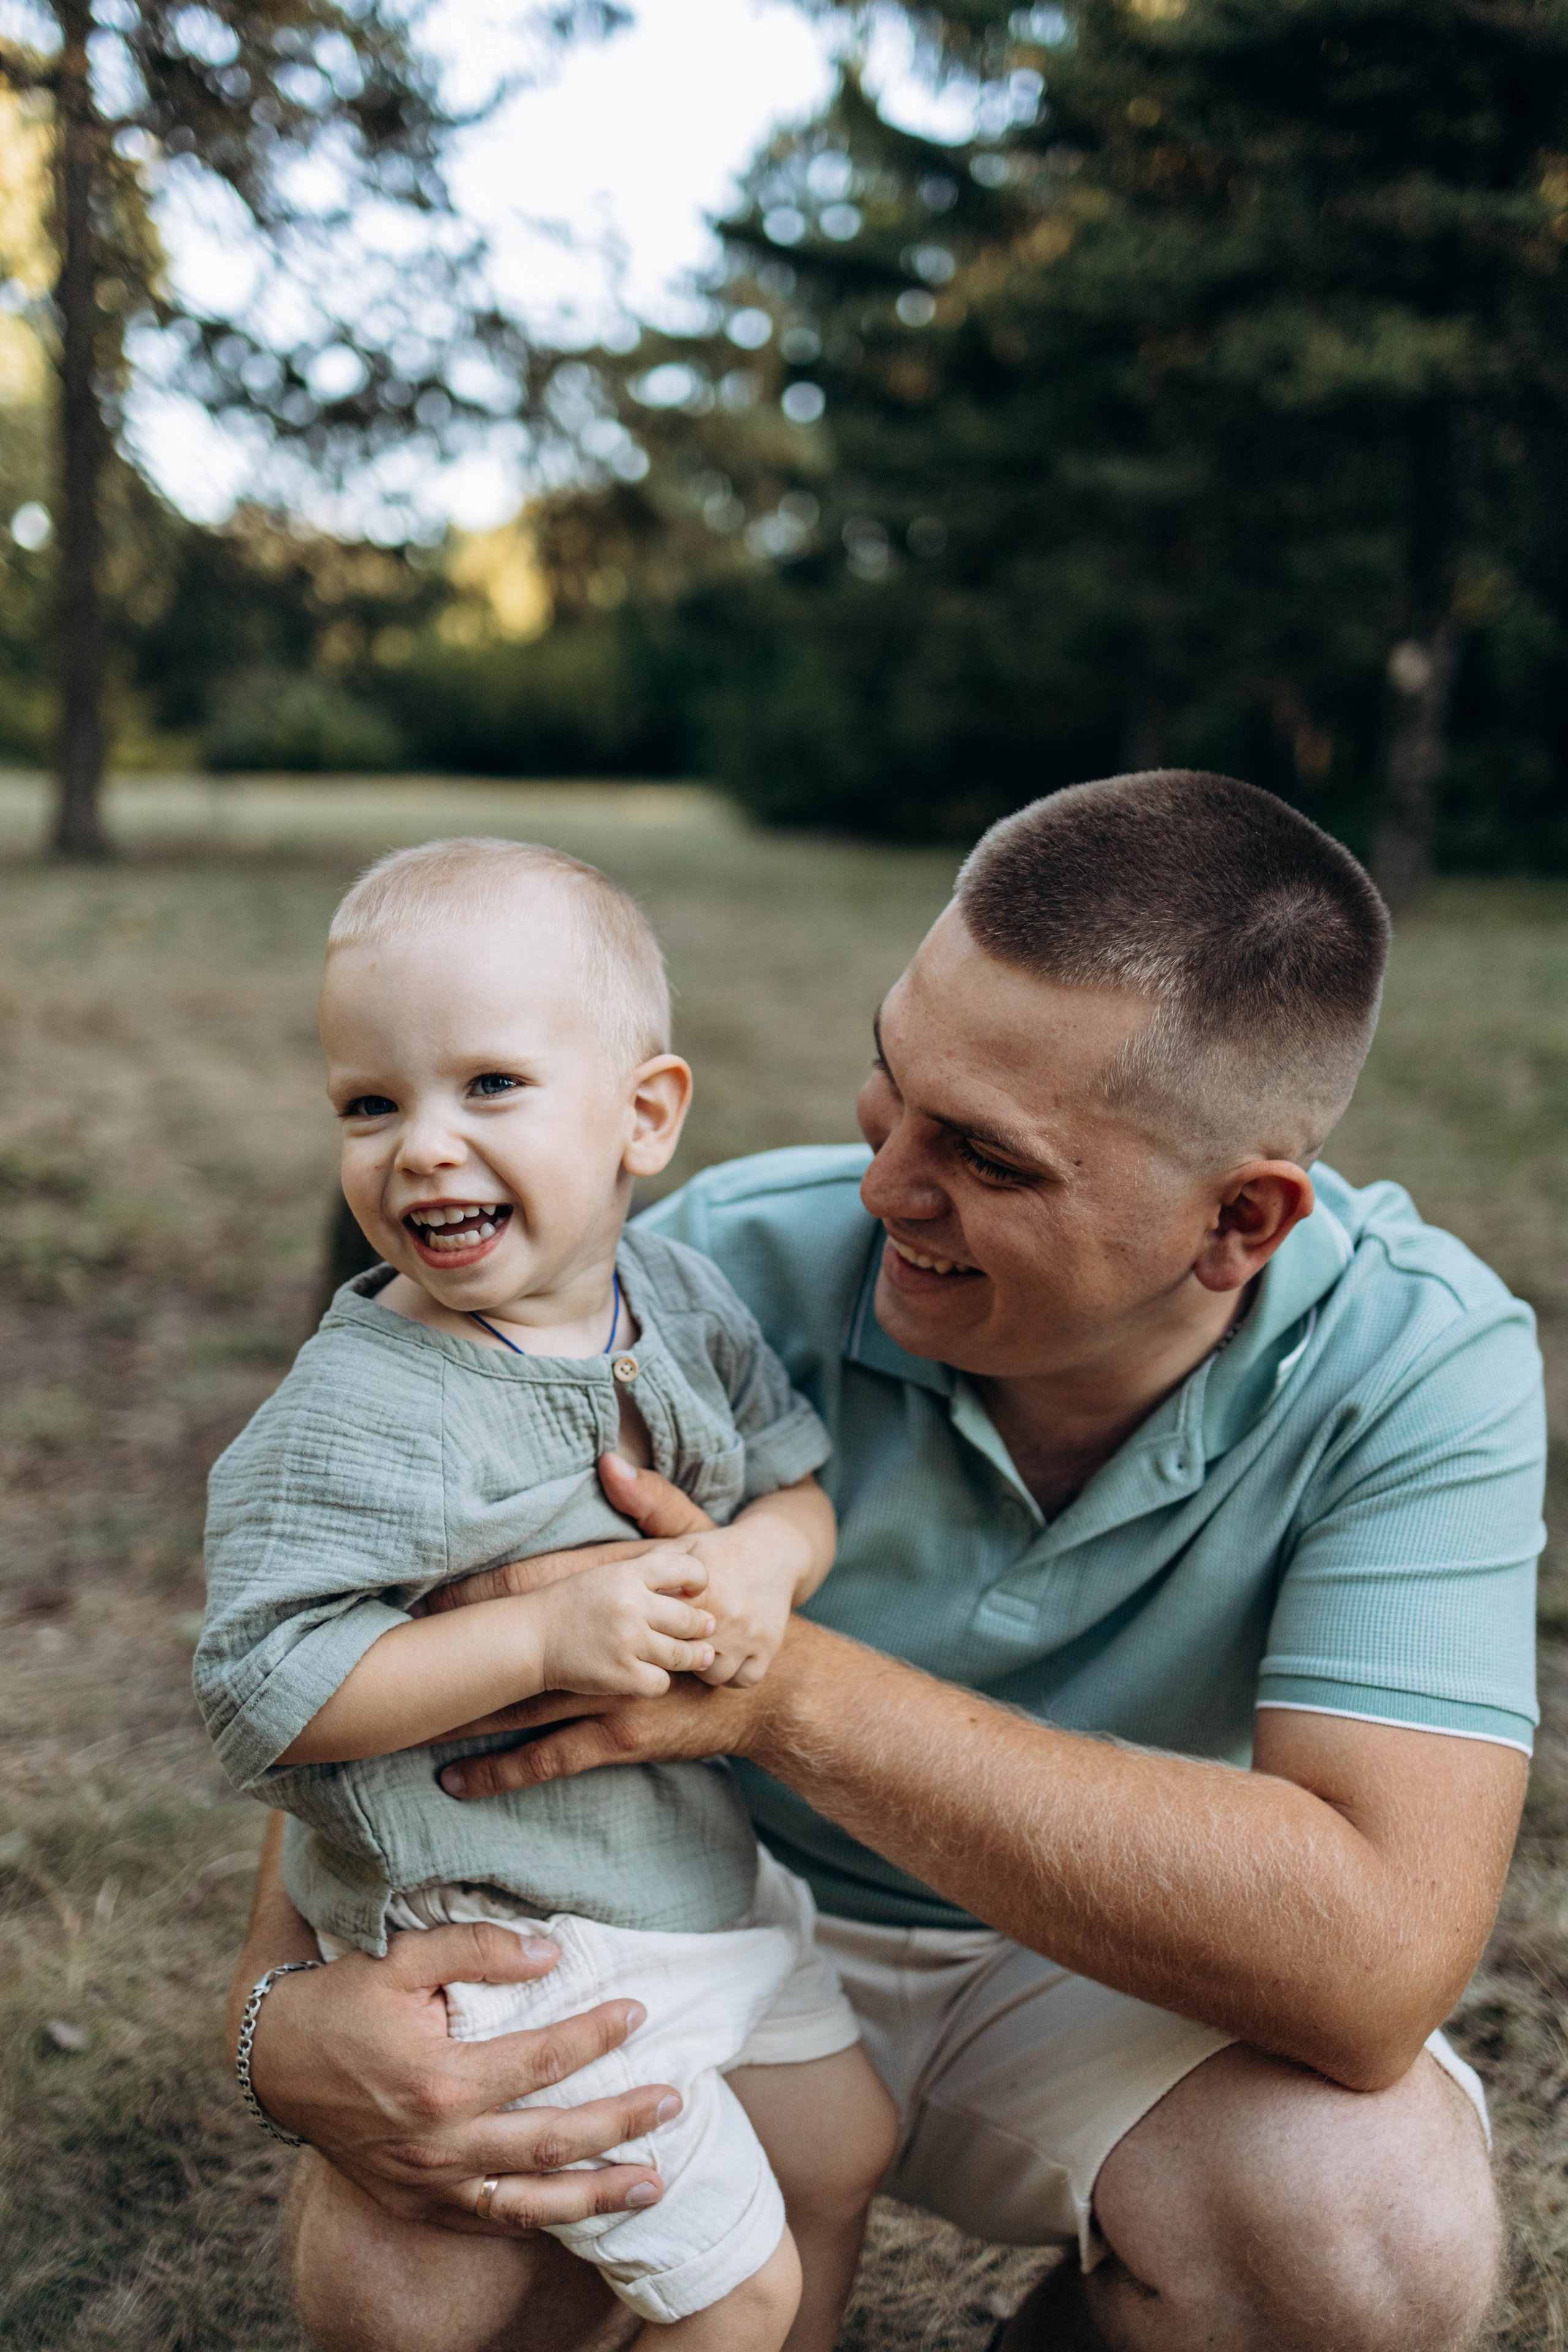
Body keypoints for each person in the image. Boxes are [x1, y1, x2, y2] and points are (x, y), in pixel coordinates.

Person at [228, 773, 1543, 2352]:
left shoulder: (1416, 1365)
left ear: (1236, 1220)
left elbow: (1372, 1963)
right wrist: (269, 2019)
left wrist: (780, 1690)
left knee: (1368, 2236)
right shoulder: (695, 1269)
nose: (879, 1186)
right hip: (689, 1903)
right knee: (410, 2274)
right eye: (889, 1079)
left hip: (1103, 1952)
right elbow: (396, 1611)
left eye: (986, 1160)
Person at [197, 837, 897, 2352]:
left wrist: (760, 1563)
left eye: (486, 1087)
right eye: (370, 1105)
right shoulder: (361, 1409)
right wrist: (537, 1634)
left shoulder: (680, 1299)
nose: (422, 1149)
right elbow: (257, 1693)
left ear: (645, 1116)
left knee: (843, 2149)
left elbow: (792, 1485)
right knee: (735, 2293)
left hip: (697, 1882)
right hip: (519, 1940)